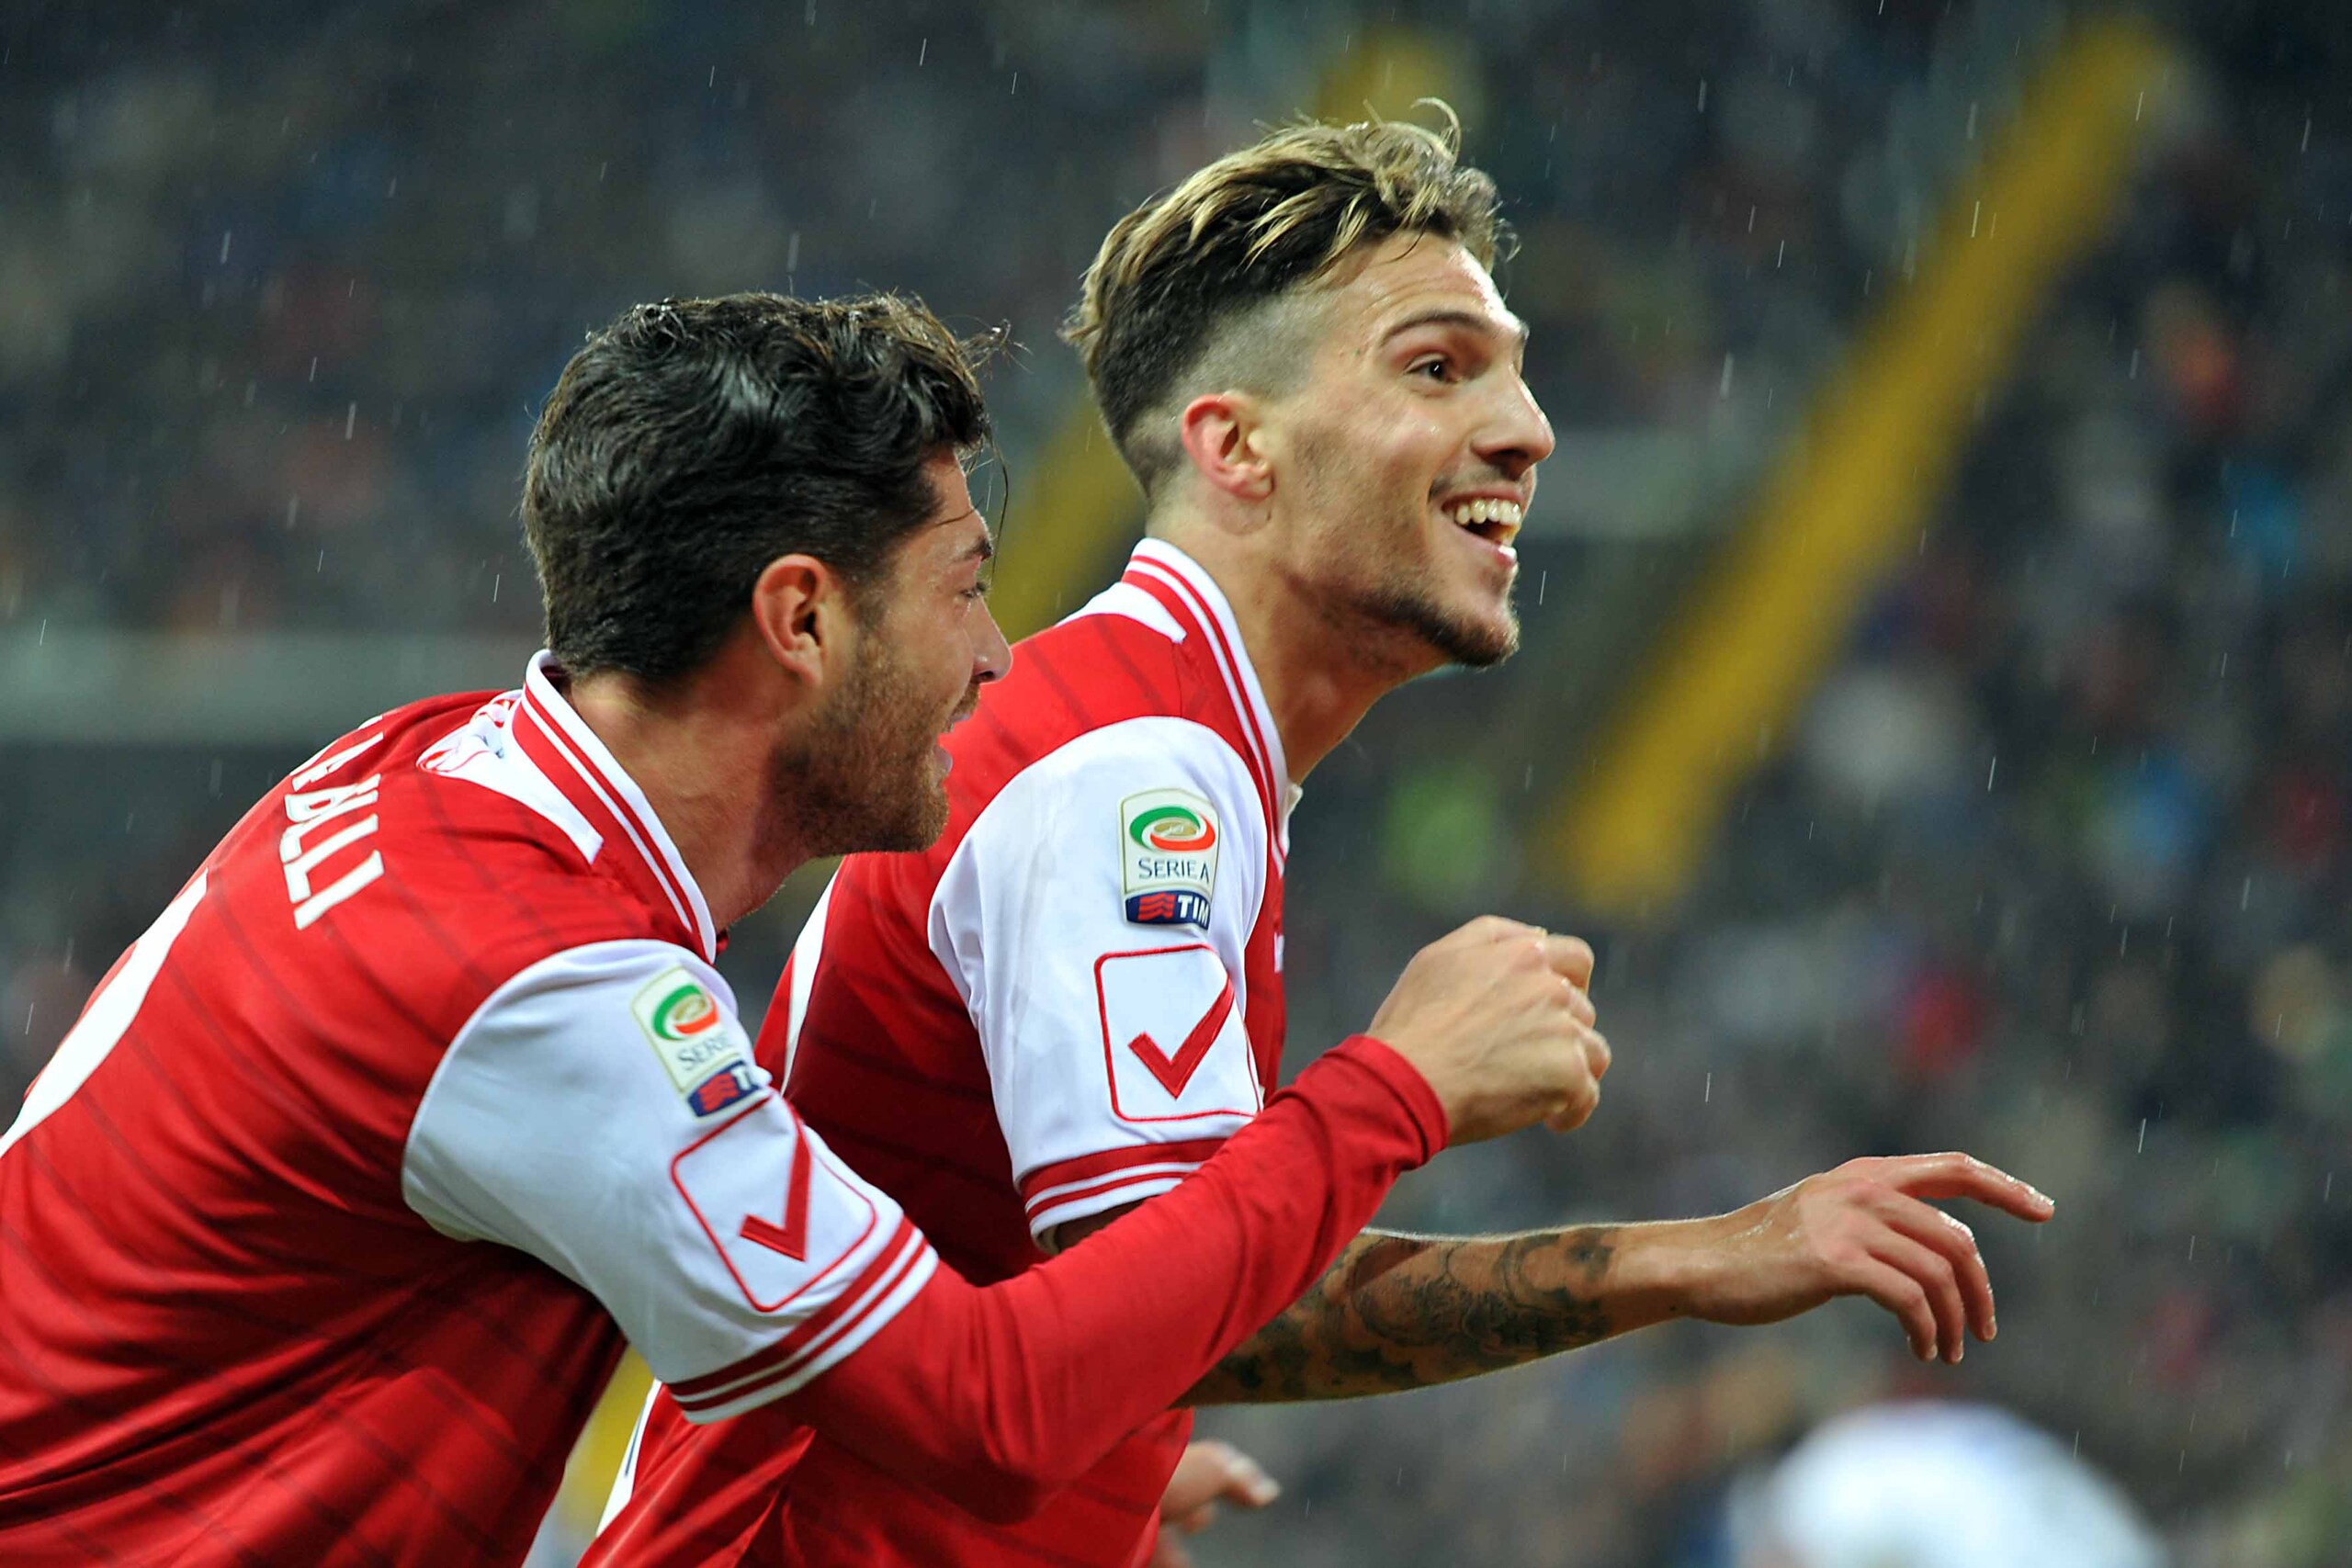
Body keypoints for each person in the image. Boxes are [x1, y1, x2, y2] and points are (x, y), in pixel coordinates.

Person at [595, 116, 2057, 1568]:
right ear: (1238, 446)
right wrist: (1445, 1106)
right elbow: (1175, 1306)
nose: (1528, 428)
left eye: (1514, 369)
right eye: (1437, 368)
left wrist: (1107, 1497)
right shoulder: (1132, 773)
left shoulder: (1161, 736)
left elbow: (1152, 1295)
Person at [0, 292, 1614, 1567]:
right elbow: (993, 1410)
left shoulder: (420, 771)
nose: (996, 657)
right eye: (964, 587)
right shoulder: (549, 987)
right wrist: (1393, 1091)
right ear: (801, 618)